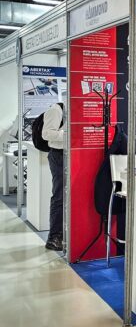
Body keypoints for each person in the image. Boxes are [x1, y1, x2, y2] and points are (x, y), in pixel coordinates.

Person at [41, 102, 65, 251]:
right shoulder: (56, 110)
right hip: (59, 156)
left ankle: (64, 234)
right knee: (60, 196)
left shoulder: (77, 109)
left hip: (73, 154)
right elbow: (46, 134)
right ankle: (54, 238)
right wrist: (71, 133)